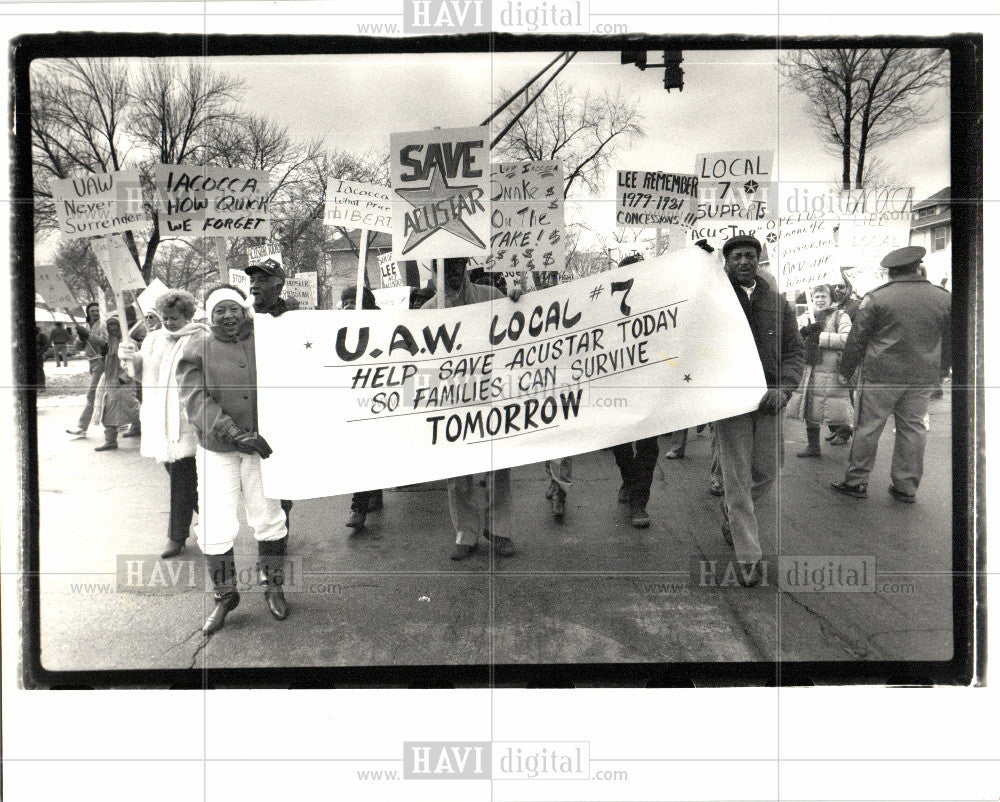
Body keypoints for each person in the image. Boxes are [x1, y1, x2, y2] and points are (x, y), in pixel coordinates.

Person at [177, 285, 289, 634]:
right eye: (219, 311)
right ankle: (225, 596)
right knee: (214, 526)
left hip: (262, 447)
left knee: (269, 517)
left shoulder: (268, 336)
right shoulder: (196, 346)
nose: (227, 316)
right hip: (218, 449)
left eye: (234, 309)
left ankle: (274, 585)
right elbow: (195, 399)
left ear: (245, 310)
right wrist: (232, 432)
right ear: (209, 316)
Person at [716, 234, 804, 586]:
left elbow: (796, 352)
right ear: (726, 261)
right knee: (736, 479)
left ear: (759, 260)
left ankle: (733, 516)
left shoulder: (777, 303)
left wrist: (784, 388)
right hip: (730, 401)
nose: (744, 262)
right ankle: (748, 556)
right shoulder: (713, 299)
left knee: (767, 471)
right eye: (736, 256)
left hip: (769, 400)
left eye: (750, 256)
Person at [830, 246, 951, 503]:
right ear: (917, 266)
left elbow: (857, 338)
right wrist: (942, 370)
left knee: (868, 428)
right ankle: (906, 487)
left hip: (880, 374)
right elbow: (951, 339)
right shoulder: (943, 297)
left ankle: (856, 481)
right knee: (913, 429)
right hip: (922, 375)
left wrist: (846, 371)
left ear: (891, 272)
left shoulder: (876, 298)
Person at [421, 257, 521, 560]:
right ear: (436, 269)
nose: (452, 272)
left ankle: (499, 529)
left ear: (465, 265)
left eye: (457, 265)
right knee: (457, 469)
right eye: (445, 266)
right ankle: (466, 531)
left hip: (490, 393)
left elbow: (519, 327)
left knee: (498, 463)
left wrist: (517, 301)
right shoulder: (428, 311)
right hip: (452, 398)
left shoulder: (490, 296)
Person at [119, 291, 207, 559]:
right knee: (186, 480)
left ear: (188, 315)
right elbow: (141, 371)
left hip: (187, 420)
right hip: (159, 417)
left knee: (182, 479)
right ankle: (211, 520)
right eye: (165, 317)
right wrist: (130, 358)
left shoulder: (201, 337)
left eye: (174, 318)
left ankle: (176, 536)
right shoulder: (154, 338)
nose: (168, 323)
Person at [608, 254, 660, 529]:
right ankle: (629, 481)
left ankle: (639, 501)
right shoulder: (606, 305)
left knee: (648, 446)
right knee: (620, 444)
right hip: (619, 387)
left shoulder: (659, 302)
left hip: (650, 385)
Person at [245, 256, 295, 537]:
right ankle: (270, 526)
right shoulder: (241, 317)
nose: (255, 286)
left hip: (281, 405)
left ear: (279, 284)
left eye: (262, 280)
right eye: (252, 280)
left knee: (279, 469)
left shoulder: (292, 318)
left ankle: (281, 526)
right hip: (250, 406)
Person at [788, 285, 854, 457]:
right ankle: (813, 446)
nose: (819, 300)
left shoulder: (840, 316)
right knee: (809, 407)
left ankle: (844, 433)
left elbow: (849, 339)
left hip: (830, 370)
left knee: (833, 407)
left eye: (823, 296)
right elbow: (794, 341)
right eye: (816, 296)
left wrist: (821, 338)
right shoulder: (806, 317)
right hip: (809, 369)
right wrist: (803, 333)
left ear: (831, 298)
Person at [341, 285, 385, 529]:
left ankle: (365, 502)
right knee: (362, 452)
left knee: (371, 451)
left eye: (353, 300)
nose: (348, 305)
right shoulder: (340, 326)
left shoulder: (382, 323)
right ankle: (364, 501)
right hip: (354, 397)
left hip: (379, 396)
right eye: (345, 301)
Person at [90, 316, 140, 452]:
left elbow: (135, 363)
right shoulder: (109, 344)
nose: (112, 329)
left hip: (123, 384)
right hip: (110, 383)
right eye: (109, 326)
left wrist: (124, 378)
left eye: (115, 326)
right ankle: (111, 440)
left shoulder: (129, 343)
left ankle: (142, 429)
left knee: (131, 409)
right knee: (111, 411)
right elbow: (107, 364)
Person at [66, 302, 107, 438]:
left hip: (101, 360)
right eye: (92, 311)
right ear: (88, 313)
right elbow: (78, 347)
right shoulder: (86, 326)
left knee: (92, 394)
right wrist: (80, 337)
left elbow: (104, 343)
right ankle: (125, 422)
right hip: (91, 362)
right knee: (109, 393)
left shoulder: (103, 325)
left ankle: (81, 427)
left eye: (97, 310)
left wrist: (88, 335)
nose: (95, 313)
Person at [35, 326, 50, 392]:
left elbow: (46, 344)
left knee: (39, 370)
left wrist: (42, 352)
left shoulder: (41, 335)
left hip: (38, 354)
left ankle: (41, 386)